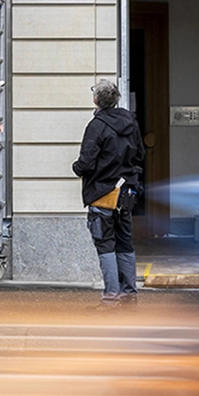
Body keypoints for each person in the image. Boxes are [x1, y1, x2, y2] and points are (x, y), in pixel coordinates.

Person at [72, 79, 145, 308]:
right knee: (125, 242)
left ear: (96, 99)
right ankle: (129, 296)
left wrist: (76, 168)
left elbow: (85, 163)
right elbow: (140, 155)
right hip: (126, 193)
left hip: (102, 193)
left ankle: (111, 299)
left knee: (105, 245)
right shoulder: (130, 121)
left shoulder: (96, 126)